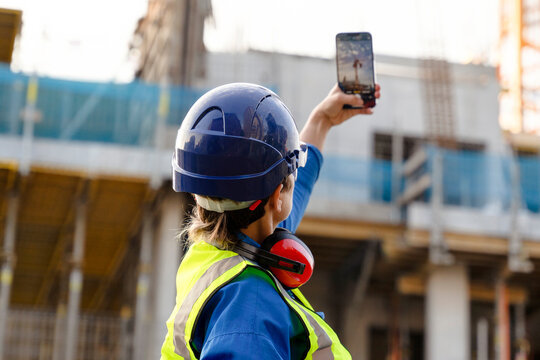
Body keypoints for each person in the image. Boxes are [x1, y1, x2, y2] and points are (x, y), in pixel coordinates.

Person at [161, 82, 381, 360]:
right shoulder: (249, 302)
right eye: (290, 177)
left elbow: (294, 192)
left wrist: (322, 121)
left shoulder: (220, 254)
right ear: (277, 197)